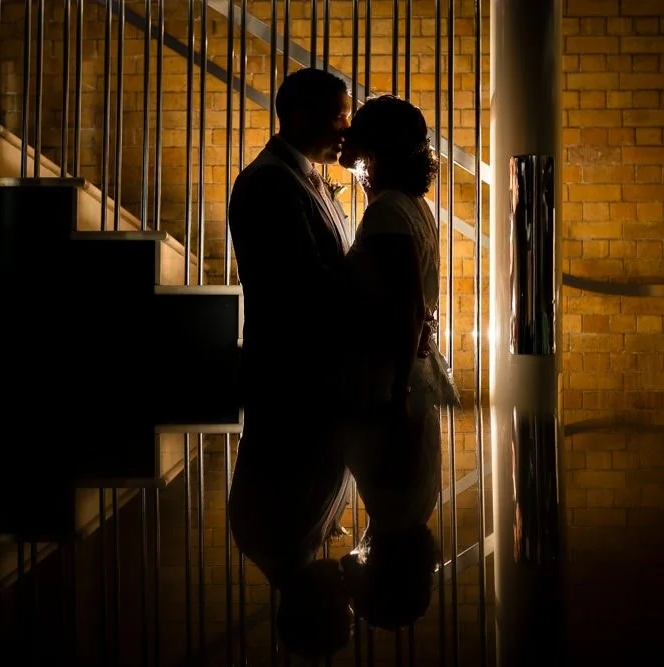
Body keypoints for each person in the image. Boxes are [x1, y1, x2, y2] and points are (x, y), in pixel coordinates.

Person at [226, 67, 357, 659]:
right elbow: (306, 286)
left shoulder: (289, 177)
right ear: (299, 114)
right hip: (293, 381)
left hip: (299, 380)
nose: (346, 128)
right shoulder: (272, 185)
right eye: (338, 115)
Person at [337, 94, 462, 629]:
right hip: (403, 377)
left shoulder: (387, 209)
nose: (347, 137)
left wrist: (392, 396)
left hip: (391, 381)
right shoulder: (409, 204)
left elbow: (405, 305)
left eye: (357, 130)